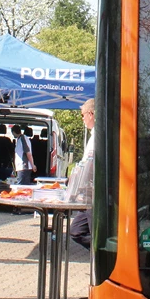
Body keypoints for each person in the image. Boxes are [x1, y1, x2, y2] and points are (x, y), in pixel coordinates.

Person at [69, 98, 95, 250]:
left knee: (94, 234)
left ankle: (103, 257)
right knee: (76, 231)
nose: (82, 119)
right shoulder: (94, 135)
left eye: (83, 115)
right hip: (88, 194)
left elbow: (90, 164)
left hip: (94, 194)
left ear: (91, 114)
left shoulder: (99, 136)